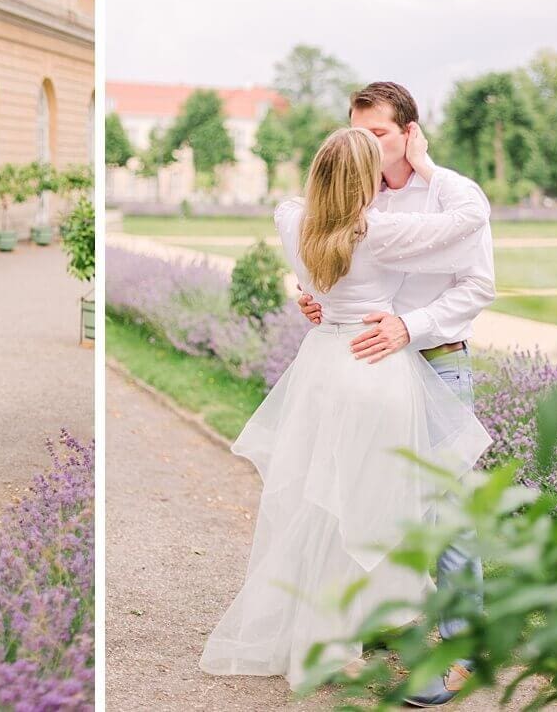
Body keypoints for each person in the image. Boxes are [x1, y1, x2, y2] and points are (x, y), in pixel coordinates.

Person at [198, 126, 492, 689]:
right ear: (364, 179)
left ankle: (326, 637)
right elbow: (471, 214)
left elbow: (297, 209)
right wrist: (424, 161)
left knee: (323, 506)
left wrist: (315, 290)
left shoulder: (293, 221)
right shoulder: (378, 231)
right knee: (369, 510)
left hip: (320, 370)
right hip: (374, 370)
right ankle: (362, 642)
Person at [302, 82, 496, 705]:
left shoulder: (452, 192)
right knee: (366, 501)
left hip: (433, 362)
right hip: (371, 376)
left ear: (410, 131)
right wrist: (319, 299)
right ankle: (389, 624)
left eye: (379, 133)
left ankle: (460, 650)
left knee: (444, 515)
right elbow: (326, 260)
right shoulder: (355, 197)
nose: (366, 143)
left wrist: (408, 327)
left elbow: (477, 286)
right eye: (358, 132)